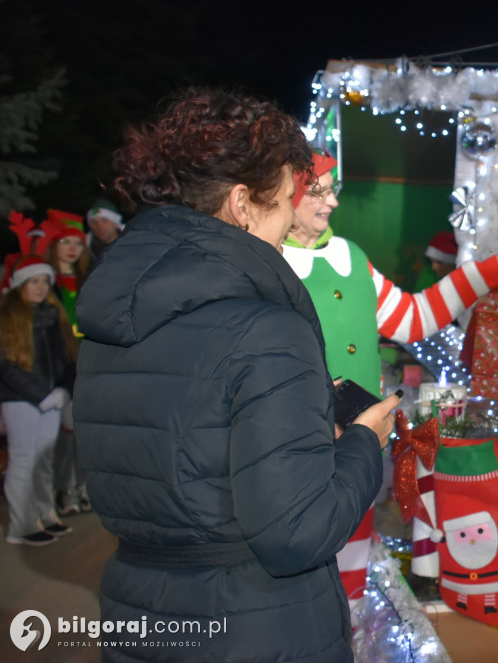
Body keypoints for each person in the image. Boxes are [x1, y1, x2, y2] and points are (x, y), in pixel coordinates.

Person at [74, 88, 400, 662]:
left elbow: (187, 456)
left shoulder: (113, 319)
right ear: (244, 202)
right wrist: (363, 447)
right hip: (254, 625)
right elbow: (296, 533)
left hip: (140, 610)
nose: (289, 223)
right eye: (284, 200)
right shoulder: (268, 329)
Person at [281, 152, 498, 613]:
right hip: (297, 436)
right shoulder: (266, 260)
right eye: (319, 191)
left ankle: (347, 626)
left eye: (334, 188)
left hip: (359, 435)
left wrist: (482, 274)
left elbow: (413, 318)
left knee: (353, 537)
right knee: (302, 550)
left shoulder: (350, 256)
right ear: (285, 196)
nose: (332, 200)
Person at [0, 253, 77, 546]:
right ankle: (20, 526)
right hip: (21, 400)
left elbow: (69, 357)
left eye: (45, 281)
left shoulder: (53, 314)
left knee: (43, 461)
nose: (41, 287)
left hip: (53, 399)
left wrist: (64, 390)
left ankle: (45, 516)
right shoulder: (8, 317)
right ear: (21, 284)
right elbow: (6, 364)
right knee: (23, 461)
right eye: (34, 281)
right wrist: (40, 395)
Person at [44, 209, 91, 515]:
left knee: (89, 434)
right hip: (63, 370)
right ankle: (67, 491)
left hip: (90, 365)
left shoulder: (90, 279)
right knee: (68, 435)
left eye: (77, 241)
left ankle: (87, 489)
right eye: (65, 241)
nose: (72, 248)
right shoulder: (44, 284)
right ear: (53, 245)